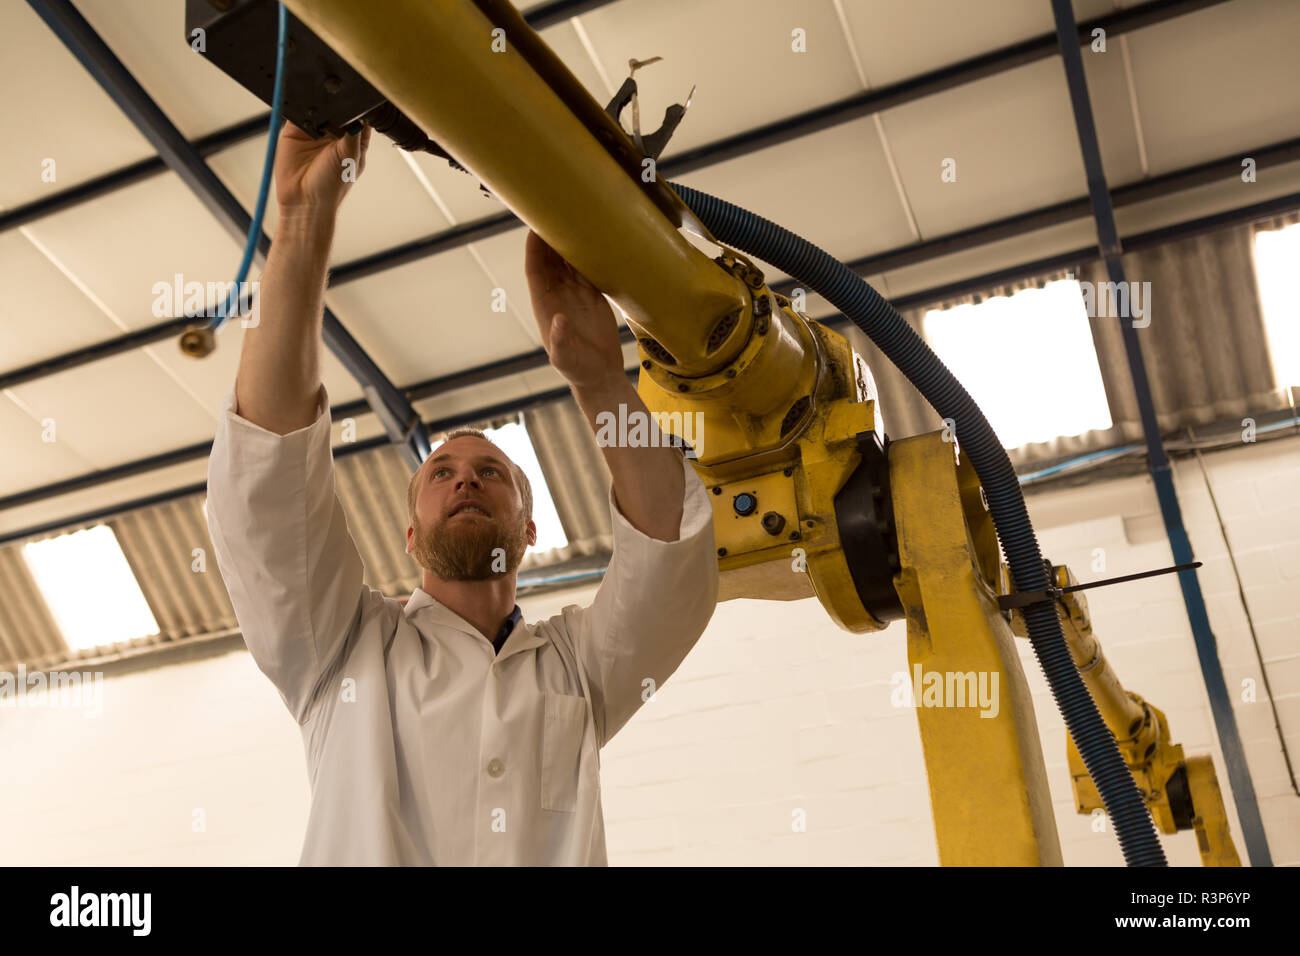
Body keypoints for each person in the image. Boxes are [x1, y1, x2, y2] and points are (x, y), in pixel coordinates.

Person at [204, 121, 719, 865]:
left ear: (530, 529)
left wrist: (602, 379)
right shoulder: (341, 653)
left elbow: (669, 562)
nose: (466, 477)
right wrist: (301, 223)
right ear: (410, 538)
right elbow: (267, 478)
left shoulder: (578, 666)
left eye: (493, 473)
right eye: (439, 473)